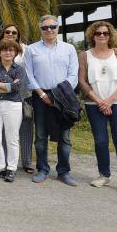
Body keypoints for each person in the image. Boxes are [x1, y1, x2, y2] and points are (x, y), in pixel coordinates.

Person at [79, 21, 117, 195]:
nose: (102, 36)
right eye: (98, 33)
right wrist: (99, 101)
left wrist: (109, 101)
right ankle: (104, 174)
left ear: (110, 35)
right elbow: (82, 82)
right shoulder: (84, 55)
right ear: (92, 36)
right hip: (94, 105)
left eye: (105, 33)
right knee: (101, 141)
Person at [24, 15, 80, 186]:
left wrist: (58, 94)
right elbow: (28, 75)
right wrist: (42, 95)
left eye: (52, 27)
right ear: (40, 29)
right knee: (41, 136)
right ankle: (42, 169)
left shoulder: (69, 48)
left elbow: (73, 74)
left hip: (64, 97)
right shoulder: (32, 49)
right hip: (41, 96)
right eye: (45, 27)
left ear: (58, 28)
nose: (49, 30)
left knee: (65, 137)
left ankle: (63, 172)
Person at [0, 39, 27, 182]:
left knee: (12, 138)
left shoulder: (19, 69)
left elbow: (17, 88)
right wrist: (8, 85)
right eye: (4, 50)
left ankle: (11, 168)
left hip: (13, 106)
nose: (8, 52)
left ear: (15, 53)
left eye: (11, 50)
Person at [0, 24, 34, 173]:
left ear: (18, 35)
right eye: (8, 32)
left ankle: (26, 162)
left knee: (25, 129)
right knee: (6, 130)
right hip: (3, 95)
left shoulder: (26, 50)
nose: (11, 34)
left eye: (14, 32)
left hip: (24, 95)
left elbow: (31, 71)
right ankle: (6, 162)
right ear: (3, 34)